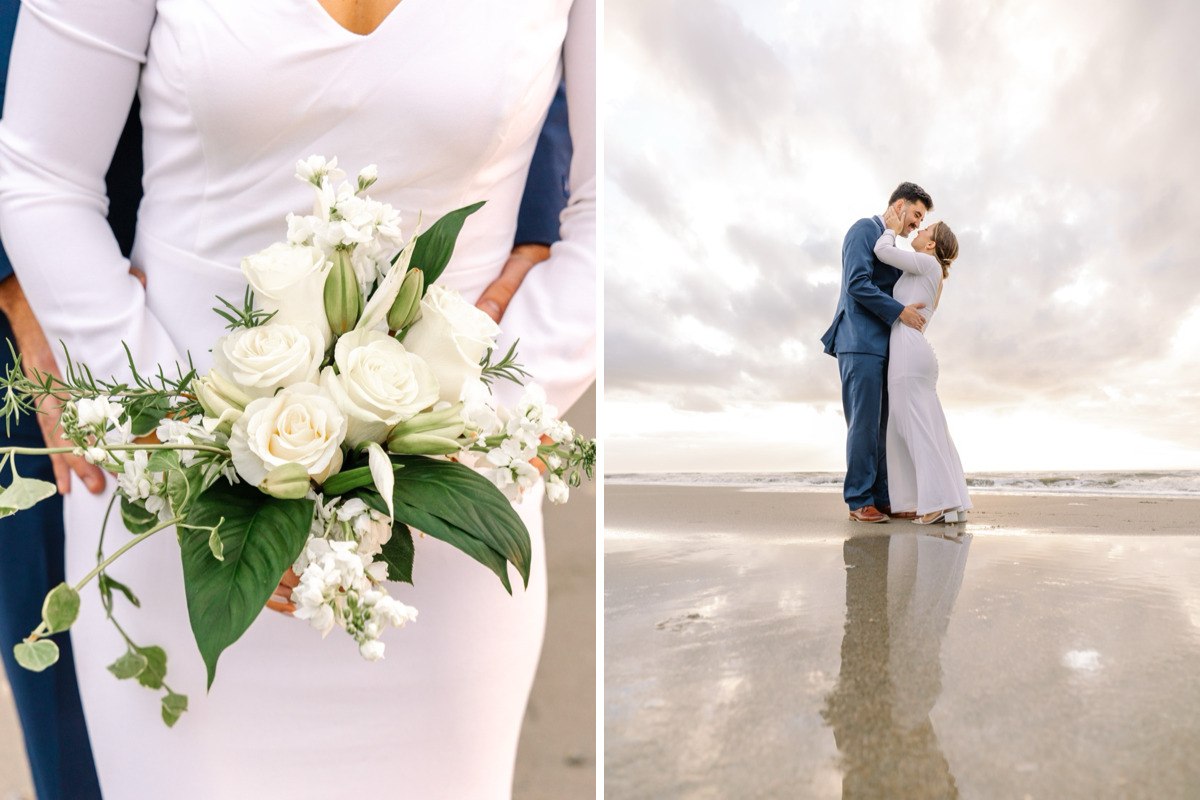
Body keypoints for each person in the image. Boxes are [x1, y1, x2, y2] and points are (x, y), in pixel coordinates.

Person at [0, 1, 595, 798]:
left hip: (445, 526)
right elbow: (41, 171)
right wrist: (174, 441)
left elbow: (616, 201)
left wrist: (498, 408)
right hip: (171, 505)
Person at [820, 182, 932, 523]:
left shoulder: (890, 247)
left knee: (882, 426)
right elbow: (857, 283)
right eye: (915, 215)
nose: (915, 224)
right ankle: (858, 500)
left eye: (921, 219)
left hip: (883, 346)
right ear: (898, 205)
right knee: (864, 423)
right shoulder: (863, 229)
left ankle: (882, 499)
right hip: (858, 341)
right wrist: (900, 311)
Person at [873, 209, 972, 524]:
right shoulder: (925, 271)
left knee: (912, 426)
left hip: (908, 354)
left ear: (932, 245)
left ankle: (936, 503)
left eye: (925, 228)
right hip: (914, 354)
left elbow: (881, 251)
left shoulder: (927, 264)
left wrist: (891, 228)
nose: (918, 230)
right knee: (925, 427)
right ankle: (943, 501)